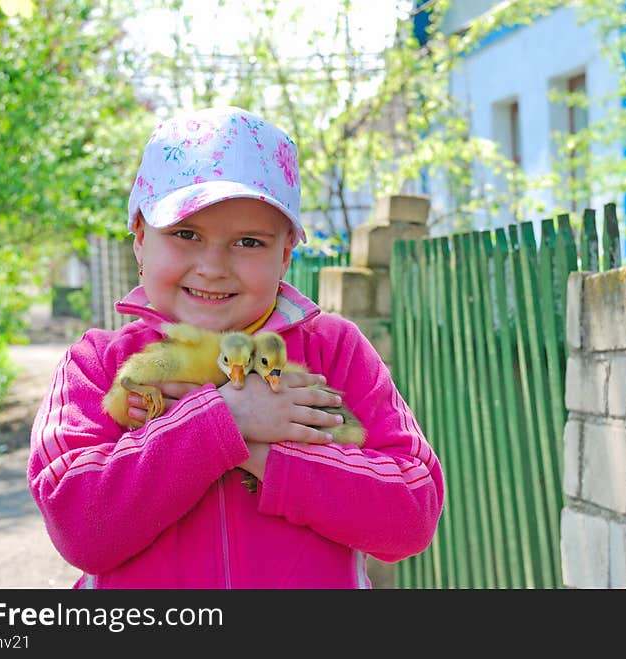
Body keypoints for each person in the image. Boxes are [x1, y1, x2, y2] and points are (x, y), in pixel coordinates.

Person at [27, 105, 444, 589]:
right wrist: (223, 418)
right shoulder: (97, 363)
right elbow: (80, 526)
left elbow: (411, 514)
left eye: (248, 242)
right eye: (186, 234)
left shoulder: (336, 349)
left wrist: (260, 450)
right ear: (140, 239)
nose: (213, 266)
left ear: (286, 252)